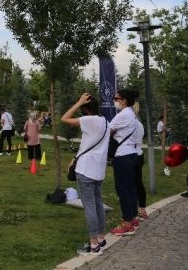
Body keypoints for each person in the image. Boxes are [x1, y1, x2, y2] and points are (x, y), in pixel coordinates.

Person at [61, 93, 110, 255]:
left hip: (86, 170)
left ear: (86, 110)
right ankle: (101, 238)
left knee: (89, 207)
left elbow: (65, 118)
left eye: (82, 109)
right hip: (98, 171)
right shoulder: (105, 122)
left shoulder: (89, 120)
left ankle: (93, 244)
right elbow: (89, 144)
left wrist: (78, 102)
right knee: (97, 204)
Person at [109, 89, 141, 236]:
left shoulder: (123, 115)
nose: (115, 101)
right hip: (132, 154)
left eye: (117, 98)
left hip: (123, 155)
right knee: (130, 188)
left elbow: (107, 130)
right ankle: (133, 218)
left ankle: (127, 223)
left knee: (122, 189)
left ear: (124, 100)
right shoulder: (131, 115)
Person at [131, 103, 147, 220]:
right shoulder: (140, 124)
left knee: (130, 185)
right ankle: (142, 209)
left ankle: (132, 213)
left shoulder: (130, 123)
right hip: (139, 154)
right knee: (138, 183)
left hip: (131, 155)